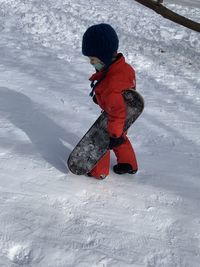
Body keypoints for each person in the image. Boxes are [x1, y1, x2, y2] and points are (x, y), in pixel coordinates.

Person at [82, 23, 138, 179]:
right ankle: (128, 164)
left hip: (115, 121)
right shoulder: (123, 68)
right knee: (122, 139)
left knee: (102, 142)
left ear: (104, 56)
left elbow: (116, 108)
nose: (91, 62)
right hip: (128, 114)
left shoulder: (112, 84)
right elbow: (120, 95)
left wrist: (114, 134)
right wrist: (100, 97)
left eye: (93, 59)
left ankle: (98, 171)